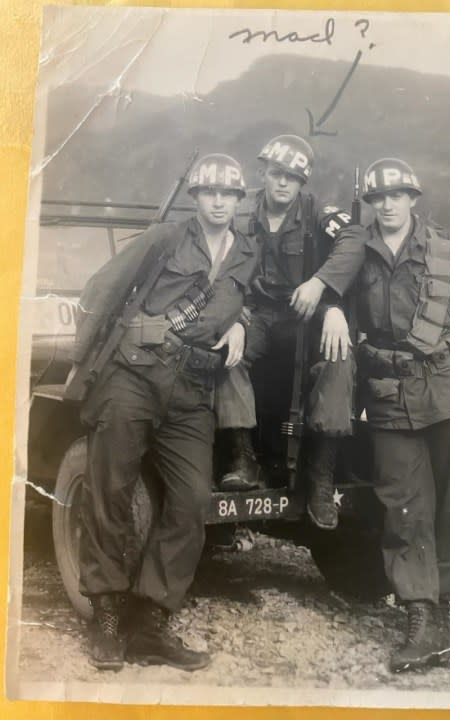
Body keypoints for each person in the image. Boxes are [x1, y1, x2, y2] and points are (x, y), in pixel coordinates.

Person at [67, 153, 258, 672]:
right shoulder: (165, 239)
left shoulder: (246, 252)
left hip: (193, 388)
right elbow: (103, 289)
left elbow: (252, 305)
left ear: (240, 201)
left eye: (229, 193)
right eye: (209, 192)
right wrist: (81, 363)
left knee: (194, 499)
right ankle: (106, 617)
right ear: (196, 196)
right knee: (111, 491)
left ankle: (150, 620)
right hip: (133, 374)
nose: (218, 201)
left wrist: (243, 326)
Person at [339, 157, 450, 672]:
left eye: (397, 196)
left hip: (449, 392)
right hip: (390, 397)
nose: (387, 205)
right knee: (403, 506)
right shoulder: (356, 256)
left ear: (413, 199)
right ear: (369, 205)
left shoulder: (448, 251)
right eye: (378, 198)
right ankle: (419, 612)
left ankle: (444, 610)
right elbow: (340, 308)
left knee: (449, 506)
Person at [215, 134, 364, 530]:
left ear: (302, 183)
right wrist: (234, 316)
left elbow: (354, 239)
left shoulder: (318, 212)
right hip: (258, 314)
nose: (283, 183)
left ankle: (320, 475)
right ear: (263, 173)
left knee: (339, 360)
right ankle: (243, 457)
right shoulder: (241, 211)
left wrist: (322, 288)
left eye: (293, 178)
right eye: (277, 174)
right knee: (227, 355)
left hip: (307, 312)